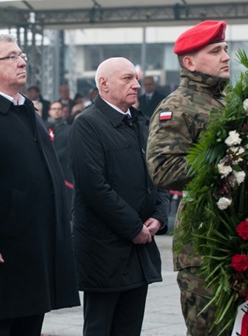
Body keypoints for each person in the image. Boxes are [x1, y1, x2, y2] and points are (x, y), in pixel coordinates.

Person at [0, 34, 79, 336]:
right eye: (11, 56)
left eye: (21, 55)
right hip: (2, 254)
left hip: (35, 248)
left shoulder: (27, 111)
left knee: (29, 325)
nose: (22, 61)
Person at [69, 57, 170, 336]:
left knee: (129, 327)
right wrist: (133, 227)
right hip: (104, 250)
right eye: (127, 79)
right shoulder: (87, 125)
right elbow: (94, 187)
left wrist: (158, 218)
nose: (136, 85)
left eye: (135, 78)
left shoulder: (139, 122)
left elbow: (158, 176)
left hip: (138, 248)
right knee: (101, 327)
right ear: (103, 84)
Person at [145, 20, 230, 336]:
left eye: (225, 49)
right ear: (190, 62)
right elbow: (163, 169)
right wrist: (226, 165)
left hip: (237, 235)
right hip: (203, 244)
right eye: (215, 50)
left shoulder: (225, 101)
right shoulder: (177, 106)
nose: (226, 56)